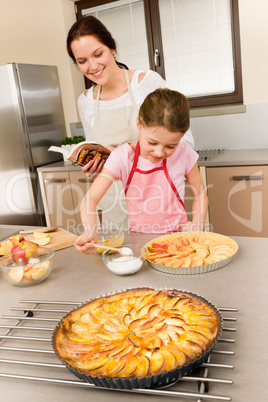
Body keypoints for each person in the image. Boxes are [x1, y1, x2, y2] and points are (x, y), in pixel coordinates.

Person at [74, 88, 208, 255]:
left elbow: (200, 194)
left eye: (170, 146)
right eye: (152, 142)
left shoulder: (184, 153)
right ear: (139, 125)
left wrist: (197, 223)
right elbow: (91, 199)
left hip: (179, 241)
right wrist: (89, 231)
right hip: (140, 243)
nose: (159, 152)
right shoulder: (122, 157)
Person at [67, 16, 195, 178]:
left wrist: (126, 153)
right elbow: (94, 150)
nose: (92, 66)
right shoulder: (85, 101)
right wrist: (94, 167)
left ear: (112, 48)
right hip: (109, 198)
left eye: (98, 54)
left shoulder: (146, 83)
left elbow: (185, 144)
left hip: (153, 195)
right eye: (82, 61)